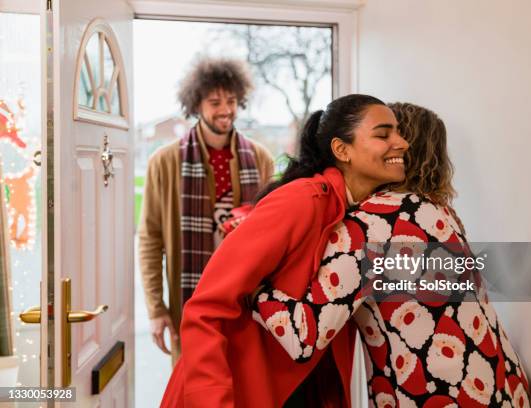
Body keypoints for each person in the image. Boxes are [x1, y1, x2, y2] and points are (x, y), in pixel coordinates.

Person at [253, 102, 531, 407]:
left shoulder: (367, 227)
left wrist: (255, 288)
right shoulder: (443, 214)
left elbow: (302, 337)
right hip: (505, 386)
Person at [160, 94, 409, 407]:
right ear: (341, 150)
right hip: (236, 390)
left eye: (399, 133)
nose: (401, 143)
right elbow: (206, 307)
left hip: (301, 387)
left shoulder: (364, 215)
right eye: (384, 134)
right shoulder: (302, 201)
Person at [138, 58, 275, 362]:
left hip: (247, 302)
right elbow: (150, 240)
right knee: (195, 390)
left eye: (232, 101)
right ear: (195, 105)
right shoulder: (164, 162)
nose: (226, 109)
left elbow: (274, 235)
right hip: (189, 301)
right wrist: (156, 309)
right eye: (215, 102)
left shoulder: (260, 158)